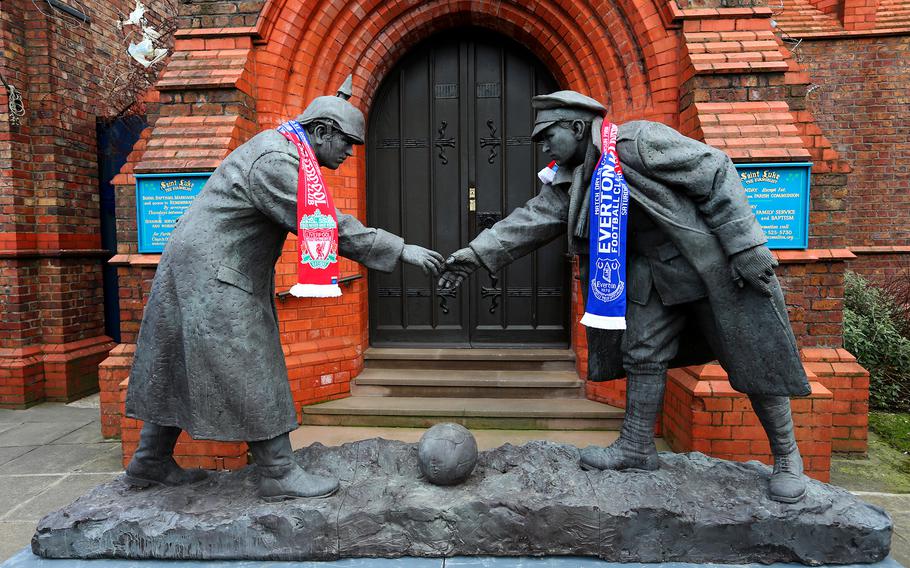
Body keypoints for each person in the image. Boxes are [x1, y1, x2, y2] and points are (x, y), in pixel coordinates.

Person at [438, 90, 811, 503]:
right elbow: (530, 220)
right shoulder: (576, 176)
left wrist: (745, 245)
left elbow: (715, 169)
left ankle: (787, 457)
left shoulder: (639, 143)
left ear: (577, 127)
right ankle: (636, 446)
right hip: (651, 276)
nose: (544, 146)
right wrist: (473, 256)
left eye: (547, 135)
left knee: (751, 355)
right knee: (643, 353)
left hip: (710, 268)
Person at [124, 77, 443, 501]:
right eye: (347, 143)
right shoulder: (275, 161)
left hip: (202, 271)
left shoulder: (283, 150)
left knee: (179, 359)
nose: (350, 153)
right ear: (323, 131)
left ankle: (150, 460)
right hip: (215, 276)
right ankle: (277, 472)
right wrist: (400, 250)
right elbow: (325, 226)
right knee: (253, 364)